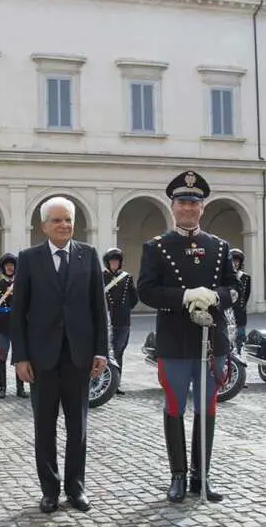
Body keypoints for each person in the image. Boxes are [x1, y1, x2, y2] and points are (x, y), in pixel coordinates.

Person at [136, 171, 239, 504]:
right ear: (172, 206)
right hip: (175, 342)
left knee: (207, 408)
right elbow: (146, 291)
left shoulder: (219, 247)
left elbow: (235, 288)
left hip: (210, 343)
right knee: (175, 407)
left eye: (194, 203)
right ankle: (178, 476)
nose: (188, 208)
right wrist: (184, 296)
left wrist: (215, 296)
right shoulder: (156, 247)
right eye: (182, 202)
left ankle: (201, 476)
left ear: (202, 207)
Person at [11, 196, 109, 514]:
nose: (64, 225)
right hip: (42, 359)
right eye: (57, 220)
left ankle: (76, 488)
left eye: (68, 219)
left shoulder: (88, 255)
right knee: (45, 427)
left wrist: (102, 351)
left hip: (79, 357)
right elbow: (18, 312)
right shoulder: (29, 259)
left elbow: (99, 308)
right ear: (44, 226)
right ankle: (50, 491)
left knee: (77, 428)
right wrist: (20, 357)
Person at [0, 253, 27, 399]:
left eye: (12, 265)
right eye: (7, 265)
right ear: (3, 268)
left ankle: (20, 388)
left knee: (19, 357)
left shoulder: (20, 284)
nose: (10, 268)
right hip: (2, 326)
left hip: (18, 325)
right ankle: (2, 388)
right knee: (2, 357)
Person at [101, 247, 138, 394]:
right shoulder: (100, 277)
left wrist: (125, 309)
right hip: (106, 319)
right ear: (107, 262)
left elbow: (134, 298)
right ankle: (104, 383)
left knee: (118, 352)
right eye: (112, 261)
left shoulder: (126, 277)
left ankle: (116, 383)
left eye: (117, 261)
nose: (115, 263)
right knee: (103, 352)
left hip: (122, 320)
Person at [230, 248, 250, 354]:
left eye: (237, 261)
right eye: (233, 260)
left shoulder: (246, 277)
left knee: (241, 337)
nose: (235, 263)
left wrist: (241, 307)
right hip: (228, 312)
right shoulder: (226, 277)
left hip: (240, 314)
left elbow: (246, 296)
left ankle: (240, 355)